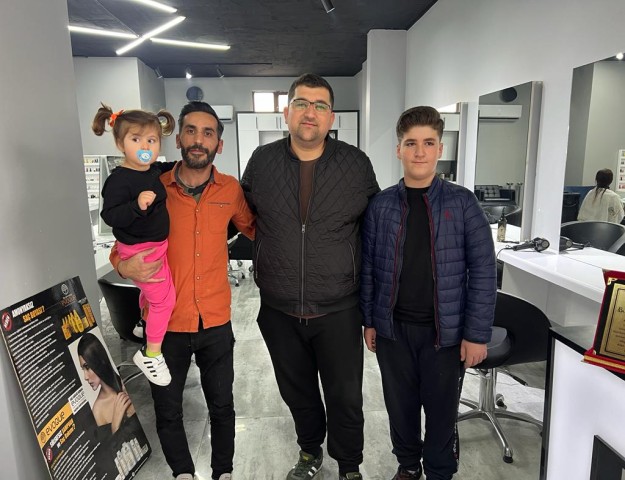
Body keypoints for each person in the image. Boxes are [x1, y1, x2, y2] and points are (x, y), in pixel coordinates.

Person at [241, 73, 380, 480]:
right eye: (302, 103)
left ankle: (349, 465)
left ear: (331, 117)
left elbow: (374, 231)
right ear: (287, 112)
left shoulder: (355, 163)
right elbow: (240, 217)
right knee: (297, 392)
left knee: (345, 396)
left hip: (339, 308)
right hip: (279, 309)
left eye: (320, 105)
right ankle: (309, 451)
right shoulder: (262, 161)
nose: (310, 112)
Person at [110, 101, 255, 480]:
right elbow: (121, 242)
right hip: (165, 326)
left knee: (222, 406)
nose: (198, 140)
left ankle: (223, 471)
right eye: (191, 130)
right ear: (177, 139)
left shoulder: (230, 189)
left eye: (208, 133)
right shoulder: (152, 186)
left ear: (219, 144)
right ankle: (183, 473)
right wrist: (123, 265)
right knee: (168, 410)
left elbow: (257, 229)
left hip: (215, 321)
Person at [360, 106, 497, 480]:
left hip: (446, 335)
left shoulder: (462, 203)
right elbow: (369, 268)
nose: (419, 152)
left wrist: (476, 334)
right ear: (398, 150)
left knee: (441, 413)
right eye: (411, 143)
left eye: (428, 143)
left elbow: (484, 271)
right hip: (393, 331)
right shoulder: (381, 205)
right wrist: (369, 320)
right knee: (400, 408)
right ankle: (408, 465)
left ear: (440, 148)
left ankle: (439, 472)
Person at [93, 103, 176, 387]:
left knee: (152, 294)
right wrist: (136, 206)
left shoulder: (150, 171)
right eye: (136, 139)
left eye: (151, 140)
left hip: (155, 245)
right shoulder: (119, 180)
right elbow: (109, 215)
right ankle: (151, 354)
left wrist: (181, 165)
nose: (145, 146)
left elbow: (163, 168)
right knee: (165, 300)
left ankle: (143, 322)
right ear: (120, 144)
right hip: (142, 250)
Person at [78, 332, 136, 437]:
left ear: (98, 361)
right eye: (83, 369)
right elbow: (112, 445)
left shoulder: (124, 384)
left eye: (87, 367)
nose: (85, 377)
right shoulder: (98, 410)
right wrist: (115, 425)